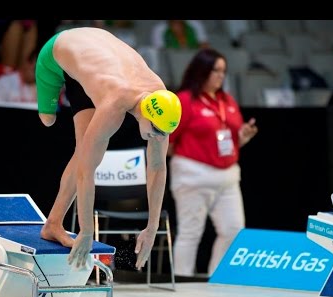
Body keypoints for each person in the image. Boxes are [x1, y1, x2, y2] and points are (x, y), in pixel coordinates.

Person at [35, 27, 182, 270]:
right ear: (145, 113)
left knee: (86, 149)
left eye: (164, 133)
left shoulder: (160, 97)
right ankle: (53, 223)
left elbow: (157, 166)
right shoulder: (114, 104)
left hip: (97, 56)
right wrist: (85, 231)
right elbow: (86, 171)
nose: (159, 137)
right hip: (55, 54)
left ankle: (52, 224)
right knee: (52, 124)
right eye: (157, 131)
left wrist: (152, 226)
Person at [168, 48, 258, 277]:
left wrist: (242, 138)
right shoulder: (185, 101)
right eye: (215, 70)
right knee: (191, 233)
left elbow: (226, 141)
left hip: (227, 176)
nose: (220, 76)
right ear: (202, 71)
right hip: (193, 176)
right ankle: (182, 281)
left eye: (223, 71)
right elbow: (168, 140)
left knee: (234, 230)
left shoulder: (226, 100)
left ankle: (216, 278)